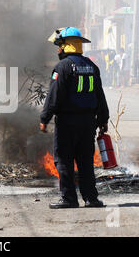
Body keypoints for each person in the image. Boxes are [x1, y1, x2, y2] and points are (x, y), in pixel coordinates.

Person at [40, 27, 109, 209]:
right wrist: (103, 119)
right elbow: (99, 95)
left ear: (66, 46)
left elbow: (54, 95)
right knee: (86, 161)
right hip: (88, 123)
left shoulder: (62, 67)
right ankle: (91, 199)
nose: (57, 50)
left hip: (67, 123)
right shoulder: (92, 66)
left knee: (64, 160)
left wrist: (44, 118)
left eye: (59, 45)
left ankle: (69, 199)